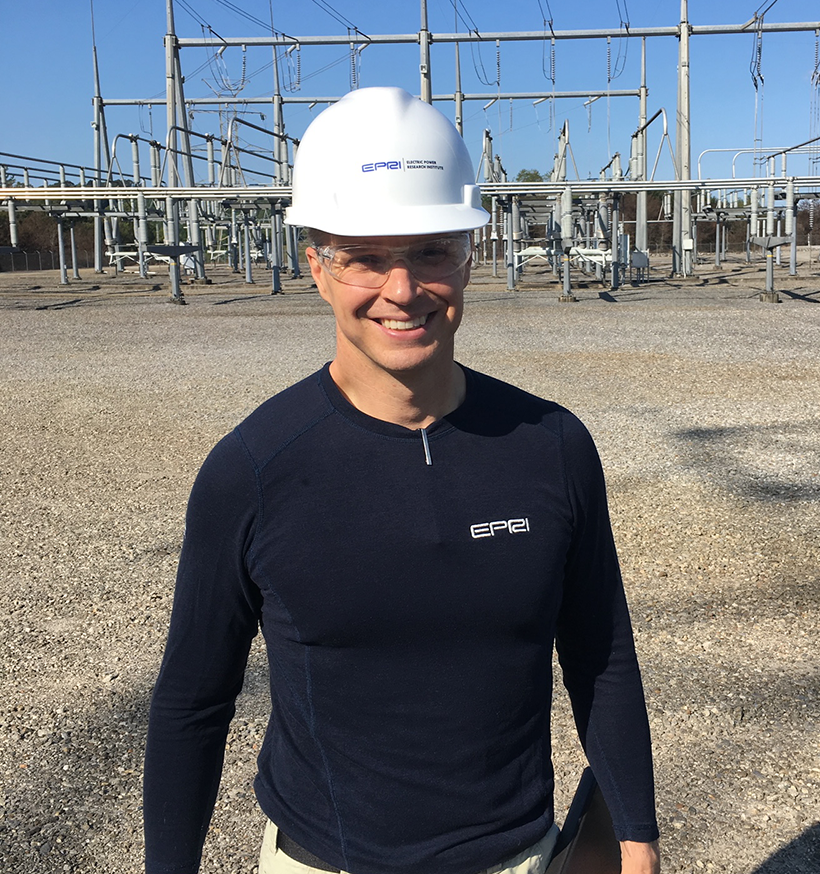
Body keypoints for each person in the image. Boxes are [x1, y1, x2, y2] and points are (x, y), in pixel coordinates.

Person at [143, 86, 659, 874]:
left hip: (518, 855)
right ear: (315, 265)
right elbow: (192, 699)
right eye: (364, 256)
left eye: (429, 250)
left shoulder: (551, 447)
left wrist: (634, 836)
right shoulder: (252, 469)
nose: (402, 288)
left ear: (468, 253)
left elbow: (601, 655)